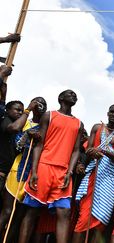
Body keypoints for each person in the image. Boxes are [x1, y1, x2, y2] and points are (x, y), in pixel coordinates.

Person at [19, 90, 83, 243]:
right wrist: (34, 171)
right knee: (32, 211)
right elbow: (39, 145)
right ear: (61, 98)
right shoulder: (50, 115)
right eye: (69, 94)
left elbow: (76, 151)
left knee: (64, 212)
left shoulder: (79, 123)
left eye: (75, 95)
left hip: (63, 171)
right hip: (44, 167)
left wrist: (70, 172)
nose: (73, 95)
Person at [72, 105, 114, 242]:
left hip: (110, 179)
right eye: (112, 112)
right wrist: (92, 152)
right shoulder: (97, 128)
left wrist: (103, 151)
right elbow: (89, 149)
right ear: (108, 113)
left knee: (100, 221)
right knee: (84, 218)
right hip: (93, 175)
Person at [0, 97, 46, 241]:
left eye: (43, 104)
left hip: (34, 175)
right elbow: (17, 146)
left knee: (18, 216)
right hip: (17, 169)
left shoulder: (48, 128)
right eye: (37, 102)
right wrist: (27, 134)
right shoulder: (24, 122)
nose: (40, 105)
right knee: (8, 211)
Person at [0, 100, 24, 190]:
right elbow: (14, 128)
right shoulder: (5, 119)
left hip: (7, 174)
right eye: (17, 110)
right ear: (7, 110)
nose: (20, 113)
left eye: (22, 111)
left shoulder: (18, 126)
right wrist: (27, 111)